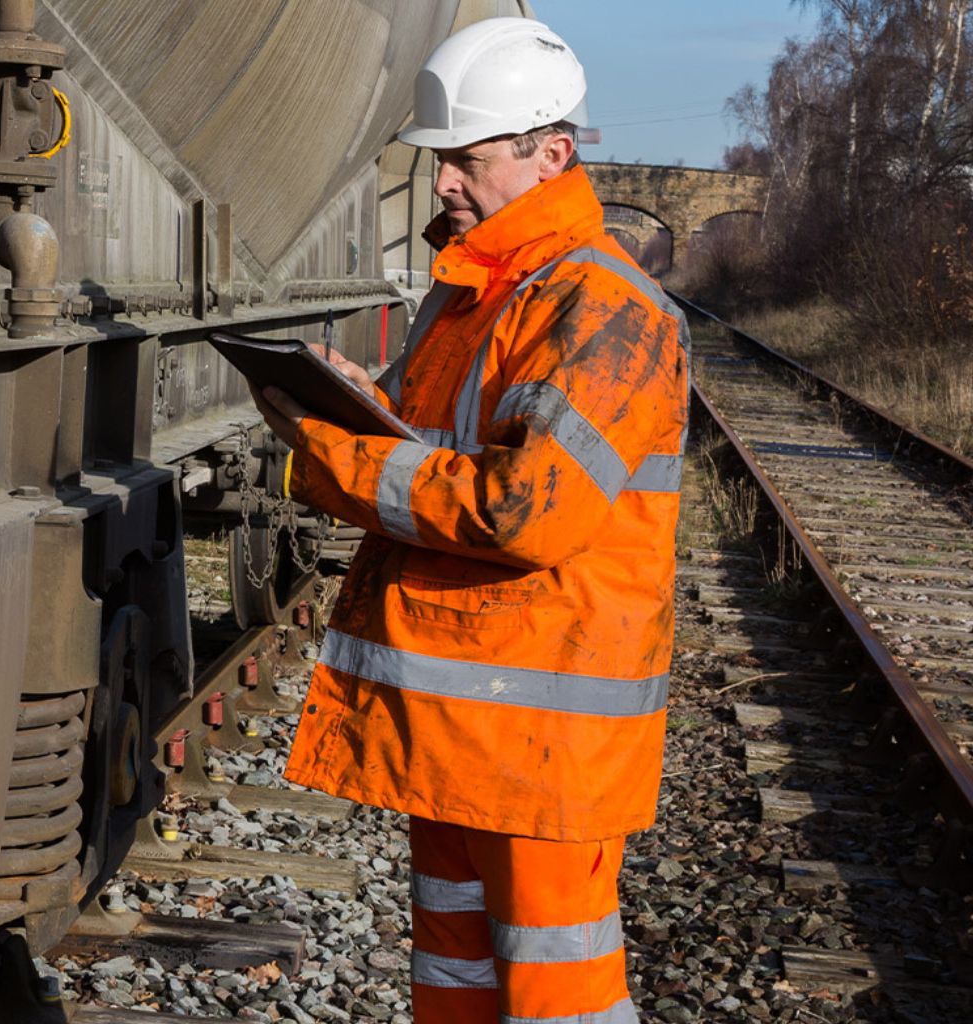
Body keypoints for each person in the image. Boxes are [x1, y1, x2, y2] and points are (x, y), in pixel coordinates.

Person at [250, 16, 690, 1024]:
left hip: (542, 741)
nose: (444, 181)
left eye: (466, 159)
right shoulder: (476, 295)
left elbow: (522, 510)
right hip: (457, 725)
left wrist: (340, 454)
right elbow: (429, 452)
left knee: (558, 992)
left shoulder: (605, 310)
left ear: (553, 154)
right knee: (451, 977)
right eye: (441, 160)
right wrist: (357, 408)